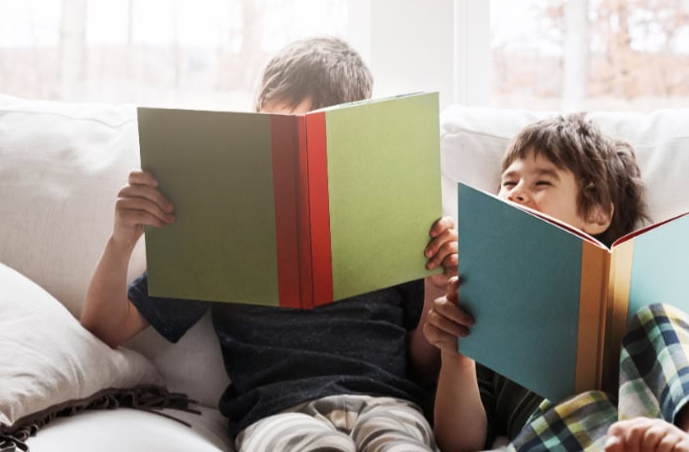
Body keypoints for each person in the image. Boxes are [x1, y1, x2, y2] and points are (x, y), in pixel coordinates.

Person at [81, 36, 458, 452]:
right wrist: (122, 241)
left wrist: (435, 292)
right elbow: (106, 326)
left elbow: (423, 364)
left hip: (387, 404)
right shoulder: (221, 224)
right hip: (279, 414)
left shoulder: (393, 217)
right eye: (277, 128)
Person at [424, 113, 689, 452]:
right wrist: (457, 358)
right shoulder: (486, 303)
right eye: (508, 182)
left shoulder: (648, 282)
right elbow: (461, 442)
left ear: (596, 213)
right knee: (584, 404)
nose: (515, 193)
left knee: (664, 319)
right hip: (564, 427)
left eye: (541, 182)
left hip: (661, 420)